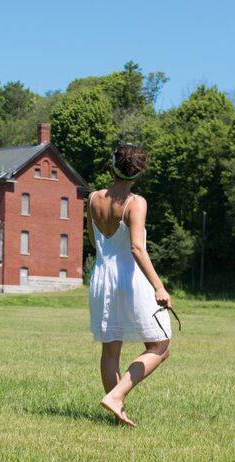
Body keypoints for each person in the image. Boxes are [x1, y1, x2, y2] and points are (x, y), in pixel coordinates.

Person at [87, 144, 172, 427]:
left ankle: (115, 409)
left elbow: (93, 242)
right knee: (161, 345)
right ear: (138, 171)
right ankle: (117, 396)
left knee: (110, 349)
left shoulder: (92, 199)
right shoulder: (136, 202)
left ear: (112, 166)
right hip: (130, 277)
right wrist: (159, 286)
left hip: (101, 276)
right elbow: (137, 247)